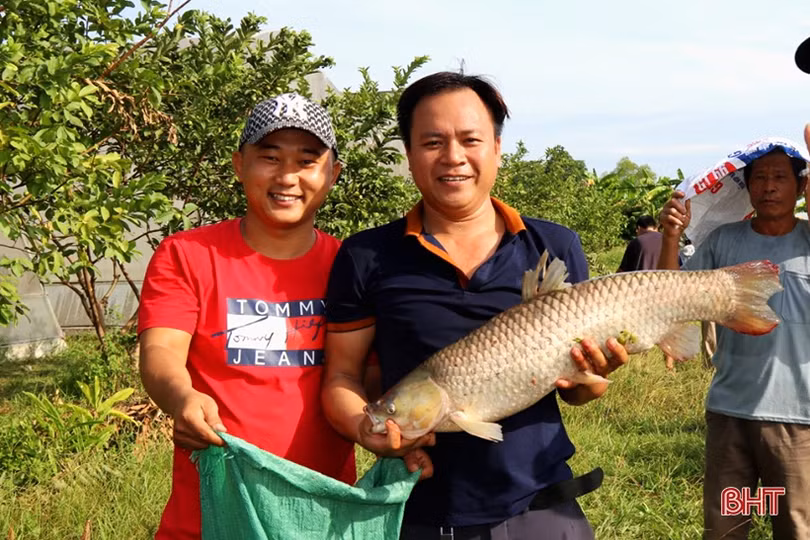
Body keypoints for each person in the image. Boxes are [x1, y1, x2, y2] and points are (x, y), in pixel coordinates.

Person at [321, 72, 629, 540]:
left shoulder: (553, 245)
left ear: (497, 149)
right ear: (408, 155)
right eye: (432, 142)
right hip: (419, 507)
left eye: (470, 140)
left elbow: (581, 389)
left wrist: (593, 375)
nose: (453, 158)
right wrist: (363, 429)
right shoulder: (367, 256)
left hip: (540, 506)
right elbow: (341, 376)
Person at [138, 93, 355, 539]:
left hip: (321, 518)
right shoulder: (188, 255)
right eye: (269, 158)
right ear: (240, 165)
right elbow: (161, 350)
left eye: (307, 161)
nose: (287, 177)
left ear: (331, 174)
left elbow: (367, 380)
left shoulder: (351, 267)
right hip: (209, 518)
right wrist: (183, 398)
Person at [658, 146, 810, 539]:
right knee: (727, 527)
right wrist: (671, 236)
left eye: (780, 177)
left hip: (798, 423)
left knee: (794, 525)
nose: (769, 187)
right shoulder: (723, 242)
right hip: (731, 417)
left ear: (800, 186)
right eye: (760, 177)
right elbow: (672, 298)